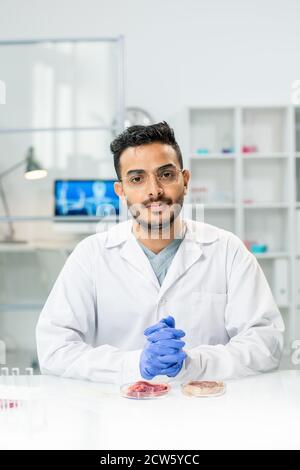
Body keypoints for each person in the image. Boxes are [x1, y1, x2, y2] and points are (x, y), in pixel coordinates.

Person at [36, 121, 284, 384]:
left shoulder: (227, 251)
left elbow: (266, 344)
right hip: (117, 412)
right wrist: (135, 365)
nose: (154, 190)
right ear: (121, 191)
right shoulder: (90, 255)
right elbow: (54, 349)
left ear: (185, 180)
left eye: (166, 175)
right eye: (137, 179)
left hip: (207, 412)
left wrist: (193, 363)